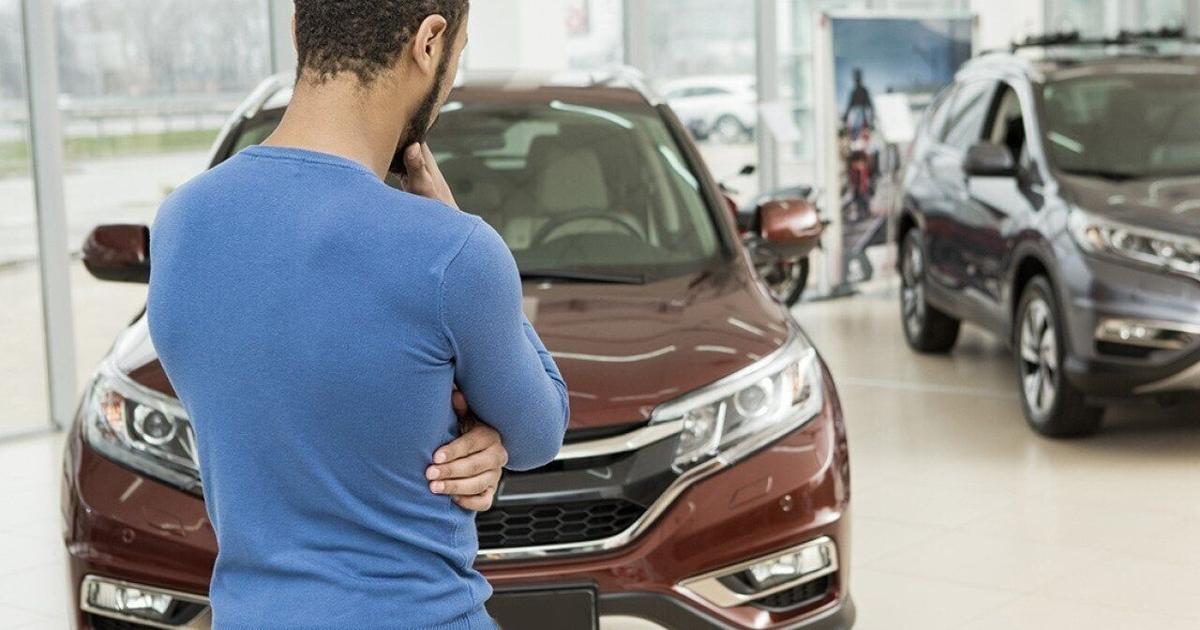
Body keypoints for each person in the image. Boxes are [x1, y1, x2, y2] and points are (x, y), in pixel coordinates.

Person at [144, 1, 570, 628]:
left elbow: (287, 418)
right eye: (459, 52)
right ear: (430, 41)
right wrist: (483, 425)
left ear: (297, 30)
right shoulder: (451, 252)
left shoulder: (182, 223)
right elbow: (539, 432)